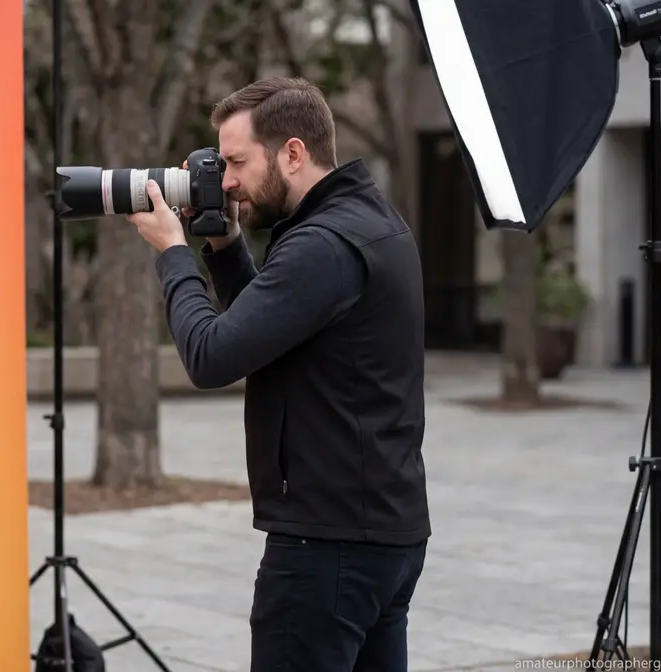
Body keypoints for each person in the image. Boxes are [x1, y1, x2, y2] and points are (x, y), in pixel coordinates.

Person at [127, 77, 430, 671]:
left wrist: (172, 254)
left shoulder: (321, 245)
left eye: (237, 161)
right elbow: (270, 336)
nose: (229, 180)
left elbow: (211, 356)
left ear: (293, 153)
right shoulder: (365, 221)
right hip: (383, 536)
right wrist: (222, 243)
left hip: (326, 547)